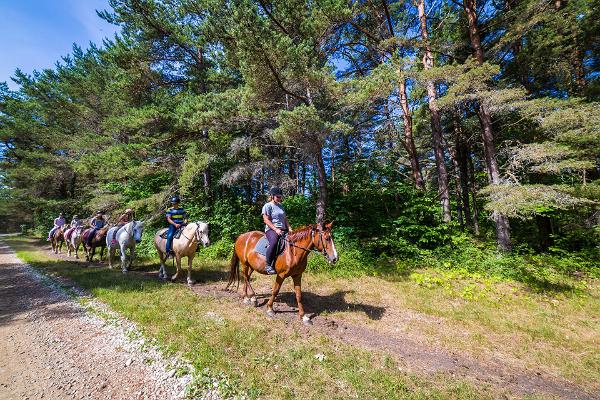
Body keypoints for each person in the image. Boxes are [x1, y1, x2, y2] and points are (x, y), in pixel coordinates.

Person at [262, 187, 292, 275]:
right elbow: (266, 220)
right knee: (274, 242)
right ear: (272, 196)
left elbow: (285, 219)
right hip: (271, 230)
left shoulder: (281, 206)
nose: (279, 198)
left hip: (283, 229)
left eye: (280, 196)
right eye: (278, 196)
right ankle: (268, 265)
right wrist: (276, 229)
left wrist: (289, 228)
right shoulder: (267, 206)